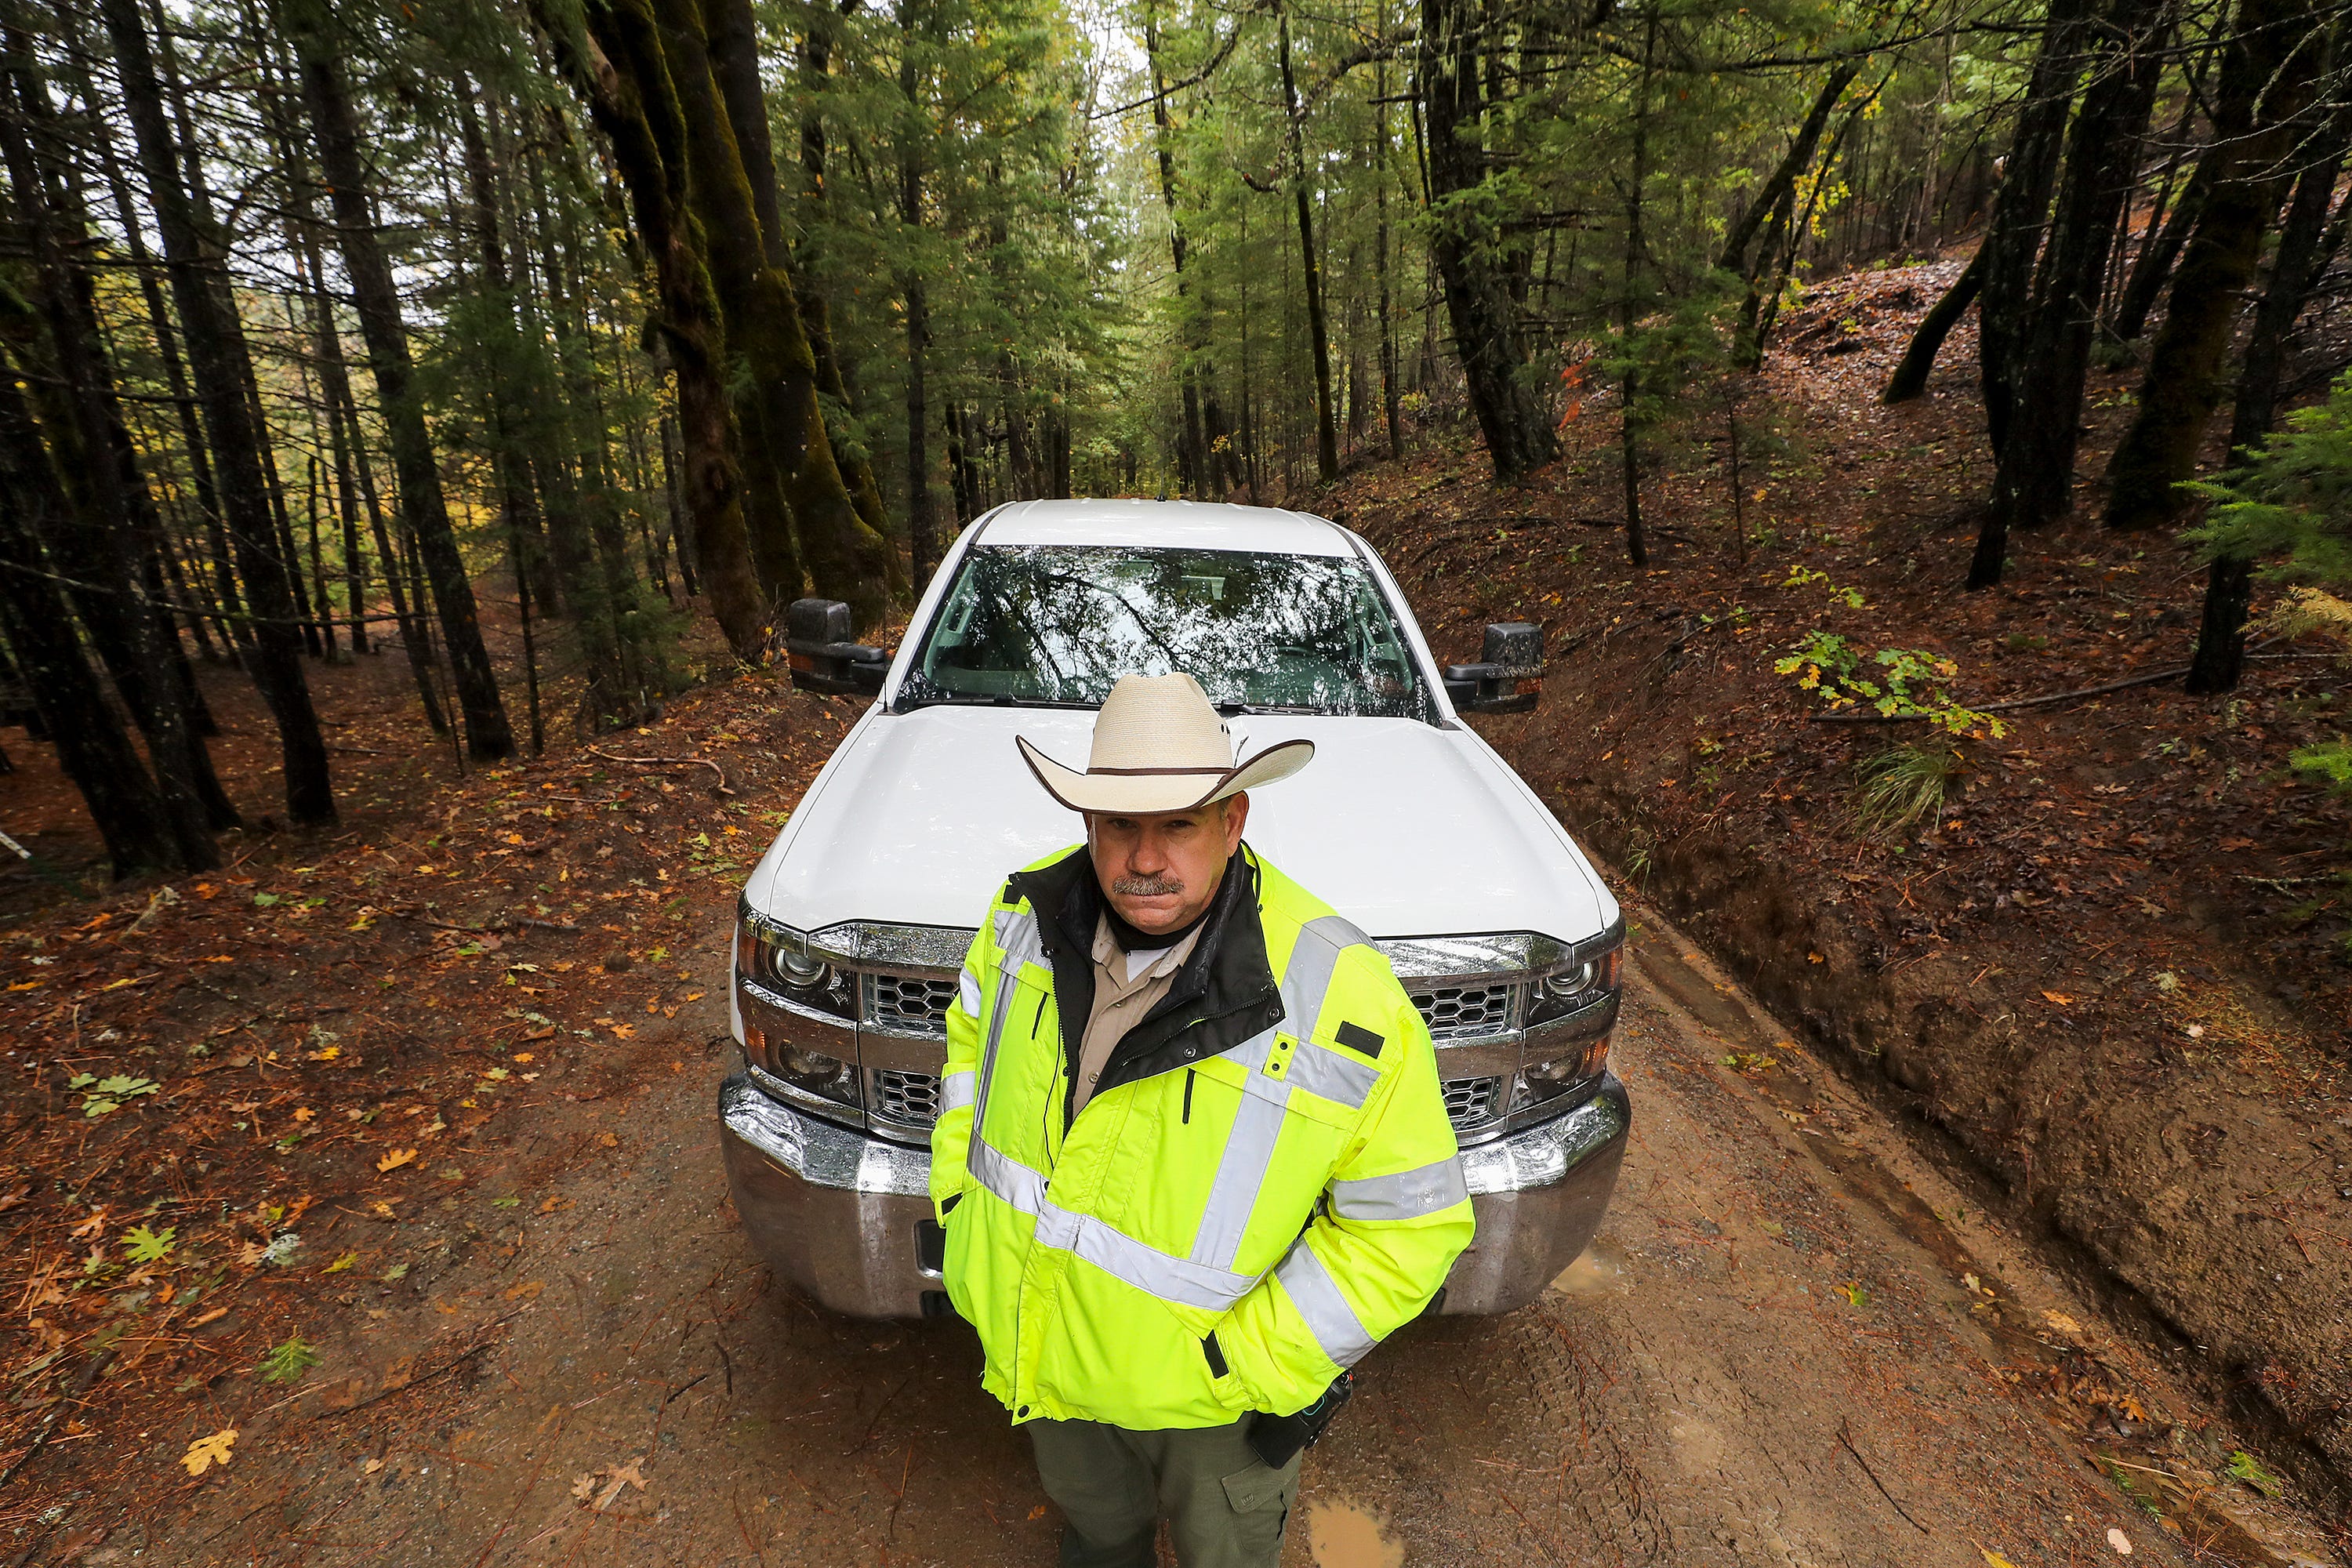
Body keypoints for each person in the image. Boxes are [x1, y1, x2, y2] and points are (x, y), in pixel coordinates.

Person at [931, 670, 1473, 1568]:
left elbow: (1411, 1225)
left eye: (1177, 824)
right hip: (1052, 1357)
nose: (1144, 859)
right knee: (1097, 1540)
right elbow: (967, 1056)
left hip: (1217, 1411)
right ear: (1088, 825)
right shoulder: (1021, 916)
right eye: (1119, 825)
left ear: (1233, 822)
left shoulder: (1338, 992)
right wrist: (960, 1210)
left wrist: (1242, 1364)